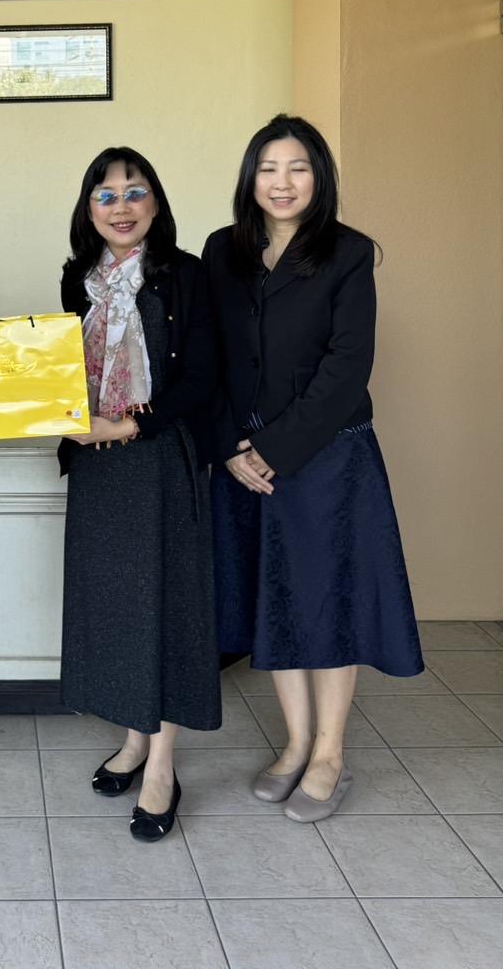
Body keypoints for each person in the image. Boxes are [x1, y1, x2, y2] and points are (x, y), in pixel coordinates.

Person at [203, 114, 423, 822]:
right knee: (276, 600)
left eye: (297, 167)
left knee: (328, 602)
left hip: (326, 458)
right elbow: (210, 358)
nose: (282, 182)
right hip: (244, 459)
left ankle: (329, 753)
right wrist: (230, 446)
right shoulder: (223, 249)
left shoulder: (347, 252)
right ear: (250, 177)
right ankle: (296, 743)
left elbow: (346, 366)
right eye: (268, 168)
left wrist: (273, 449)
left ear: (318, 176)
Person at [59, 147, 221, 843]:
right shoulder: (78, 278)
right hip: (98, 465)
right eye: (105, 194)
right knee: (119, 608)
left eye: (134, 191)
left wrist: (131, 423)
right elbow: (64, 370)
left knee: (167, 605)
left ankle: (161, 763)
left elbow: (202, 377)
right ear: (88, 208)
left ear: (156, 201)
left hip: (158, 456)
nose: (120, 206)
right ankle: (133, 737)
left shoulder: (185, 274)